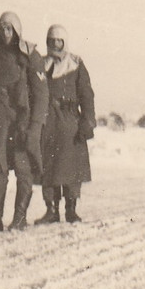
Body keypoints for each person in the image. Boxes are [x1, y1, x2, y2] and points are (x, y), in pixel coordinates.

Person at [0, 11, 48, 232]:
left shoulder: (30, 56)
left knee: (23, 169)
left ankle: (19, 218)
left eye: (9, 28)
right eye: (2, 28)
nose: (5, 33)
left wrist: (34, 126)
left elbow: (41, 95)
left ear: (17, 30)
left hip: (21, 122)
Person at [37, 24, 95, 224]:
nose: (56, 44)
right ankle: (51, 210)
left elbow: (86, 94)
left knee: (71, 166)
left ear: (65, 42)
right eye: (52, 41)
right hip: (48, 122)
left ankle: (71, 209)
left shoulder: (76, 64)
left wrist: (88, 122)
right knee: (49, 166)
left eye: (59, 41)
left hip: (70, 122)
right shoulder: (40, 64)